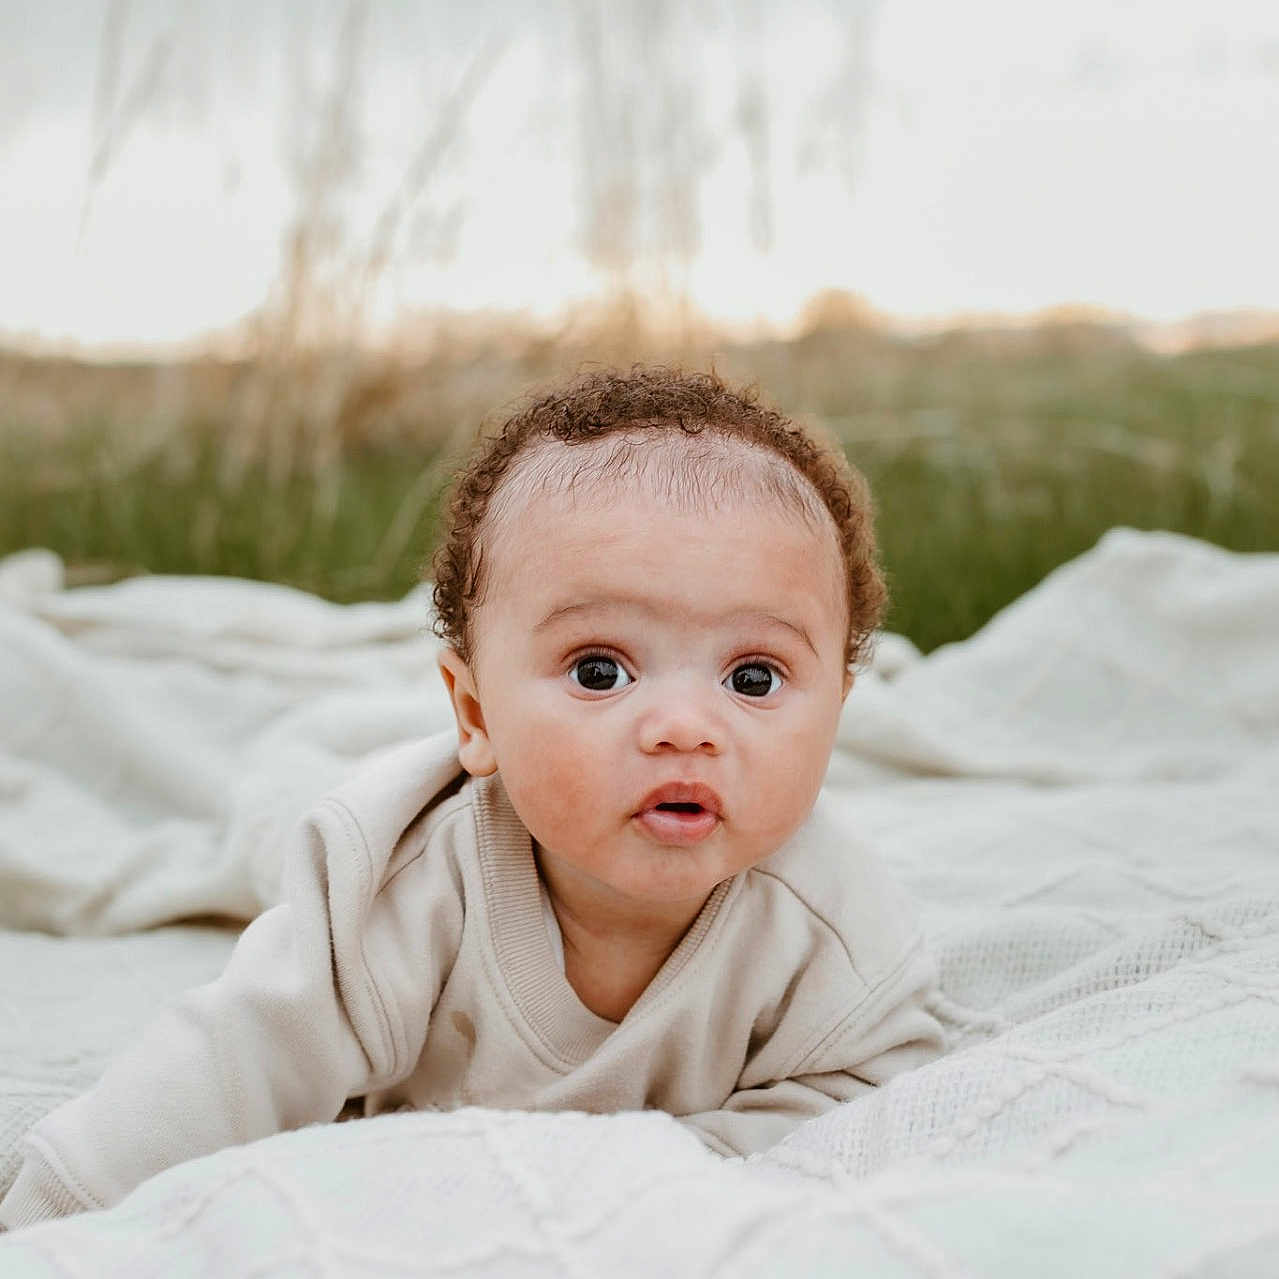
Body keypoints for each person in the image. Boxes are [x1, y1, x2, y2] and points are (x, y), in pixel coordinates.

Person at [0, 366, 944, 1230]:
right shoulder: (399, 889)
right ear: (474, 709)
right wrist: (59, 1209)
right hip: (359, 864)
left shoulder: (834, 931)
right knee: (273, 864)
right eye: (600, 668)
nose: (684, 727)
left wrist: (665, 1177)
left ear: (837, 711)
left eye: (752, 677)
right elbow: (234, 1060)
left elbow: (873, 1104)